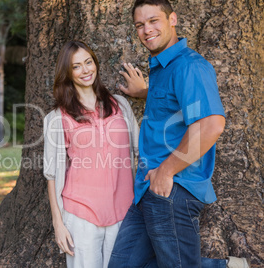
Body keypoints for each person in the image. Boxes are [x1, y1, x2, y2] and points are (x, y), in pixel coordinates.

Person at [108, 0, 250, 268]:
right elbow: (176, 106)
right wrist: (145, 93)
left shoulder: (189, 66)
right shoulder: (163, 69)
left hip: (173, 188)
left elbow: (211, 125)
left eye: (154, 21)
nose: (146, 29)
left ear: (172, 19)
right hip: (147, 189)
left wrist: (166, 171)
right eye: (140, 25)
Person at [43, 40, 139, 268]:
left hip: (123, 211)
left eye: (89, 62)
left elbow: (140, 151)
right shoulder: (57, 118)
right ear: (67, 73)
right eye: (76, 66)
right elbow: (52, 174)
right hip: (80, 215)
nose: (86, 70)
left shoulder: (121, 106)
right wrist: (58, 223)